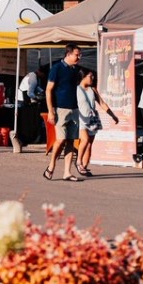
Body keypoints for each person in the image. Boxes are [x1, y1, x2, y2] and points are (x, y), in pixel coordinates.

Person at [44, 44, 84, 182]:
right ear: (68, 54)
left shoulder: (75, 70)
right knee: (60, 140)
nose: (79, 57)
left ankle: (67, 172)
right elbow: (48, 89)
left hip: (74, 109)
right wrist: (51, 111)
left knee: (71, 141)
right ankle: (51, 166)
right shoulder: (57, 68)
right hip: (60, 109)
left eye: (80, 55)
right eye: (76, 54)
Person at [75, 68, 118, 177]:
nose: (92, 78)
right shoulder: (76, 89)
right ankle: (78, 161)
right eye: (90, 76)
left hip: (92, 119)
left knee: (89, 144)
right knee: (84, 140)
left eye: (93, 76)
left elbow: (102, 103)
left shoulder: (92, 89)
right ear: (83, 77)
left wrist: (112, 115)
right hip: (81, 118)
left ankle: (84, 166)